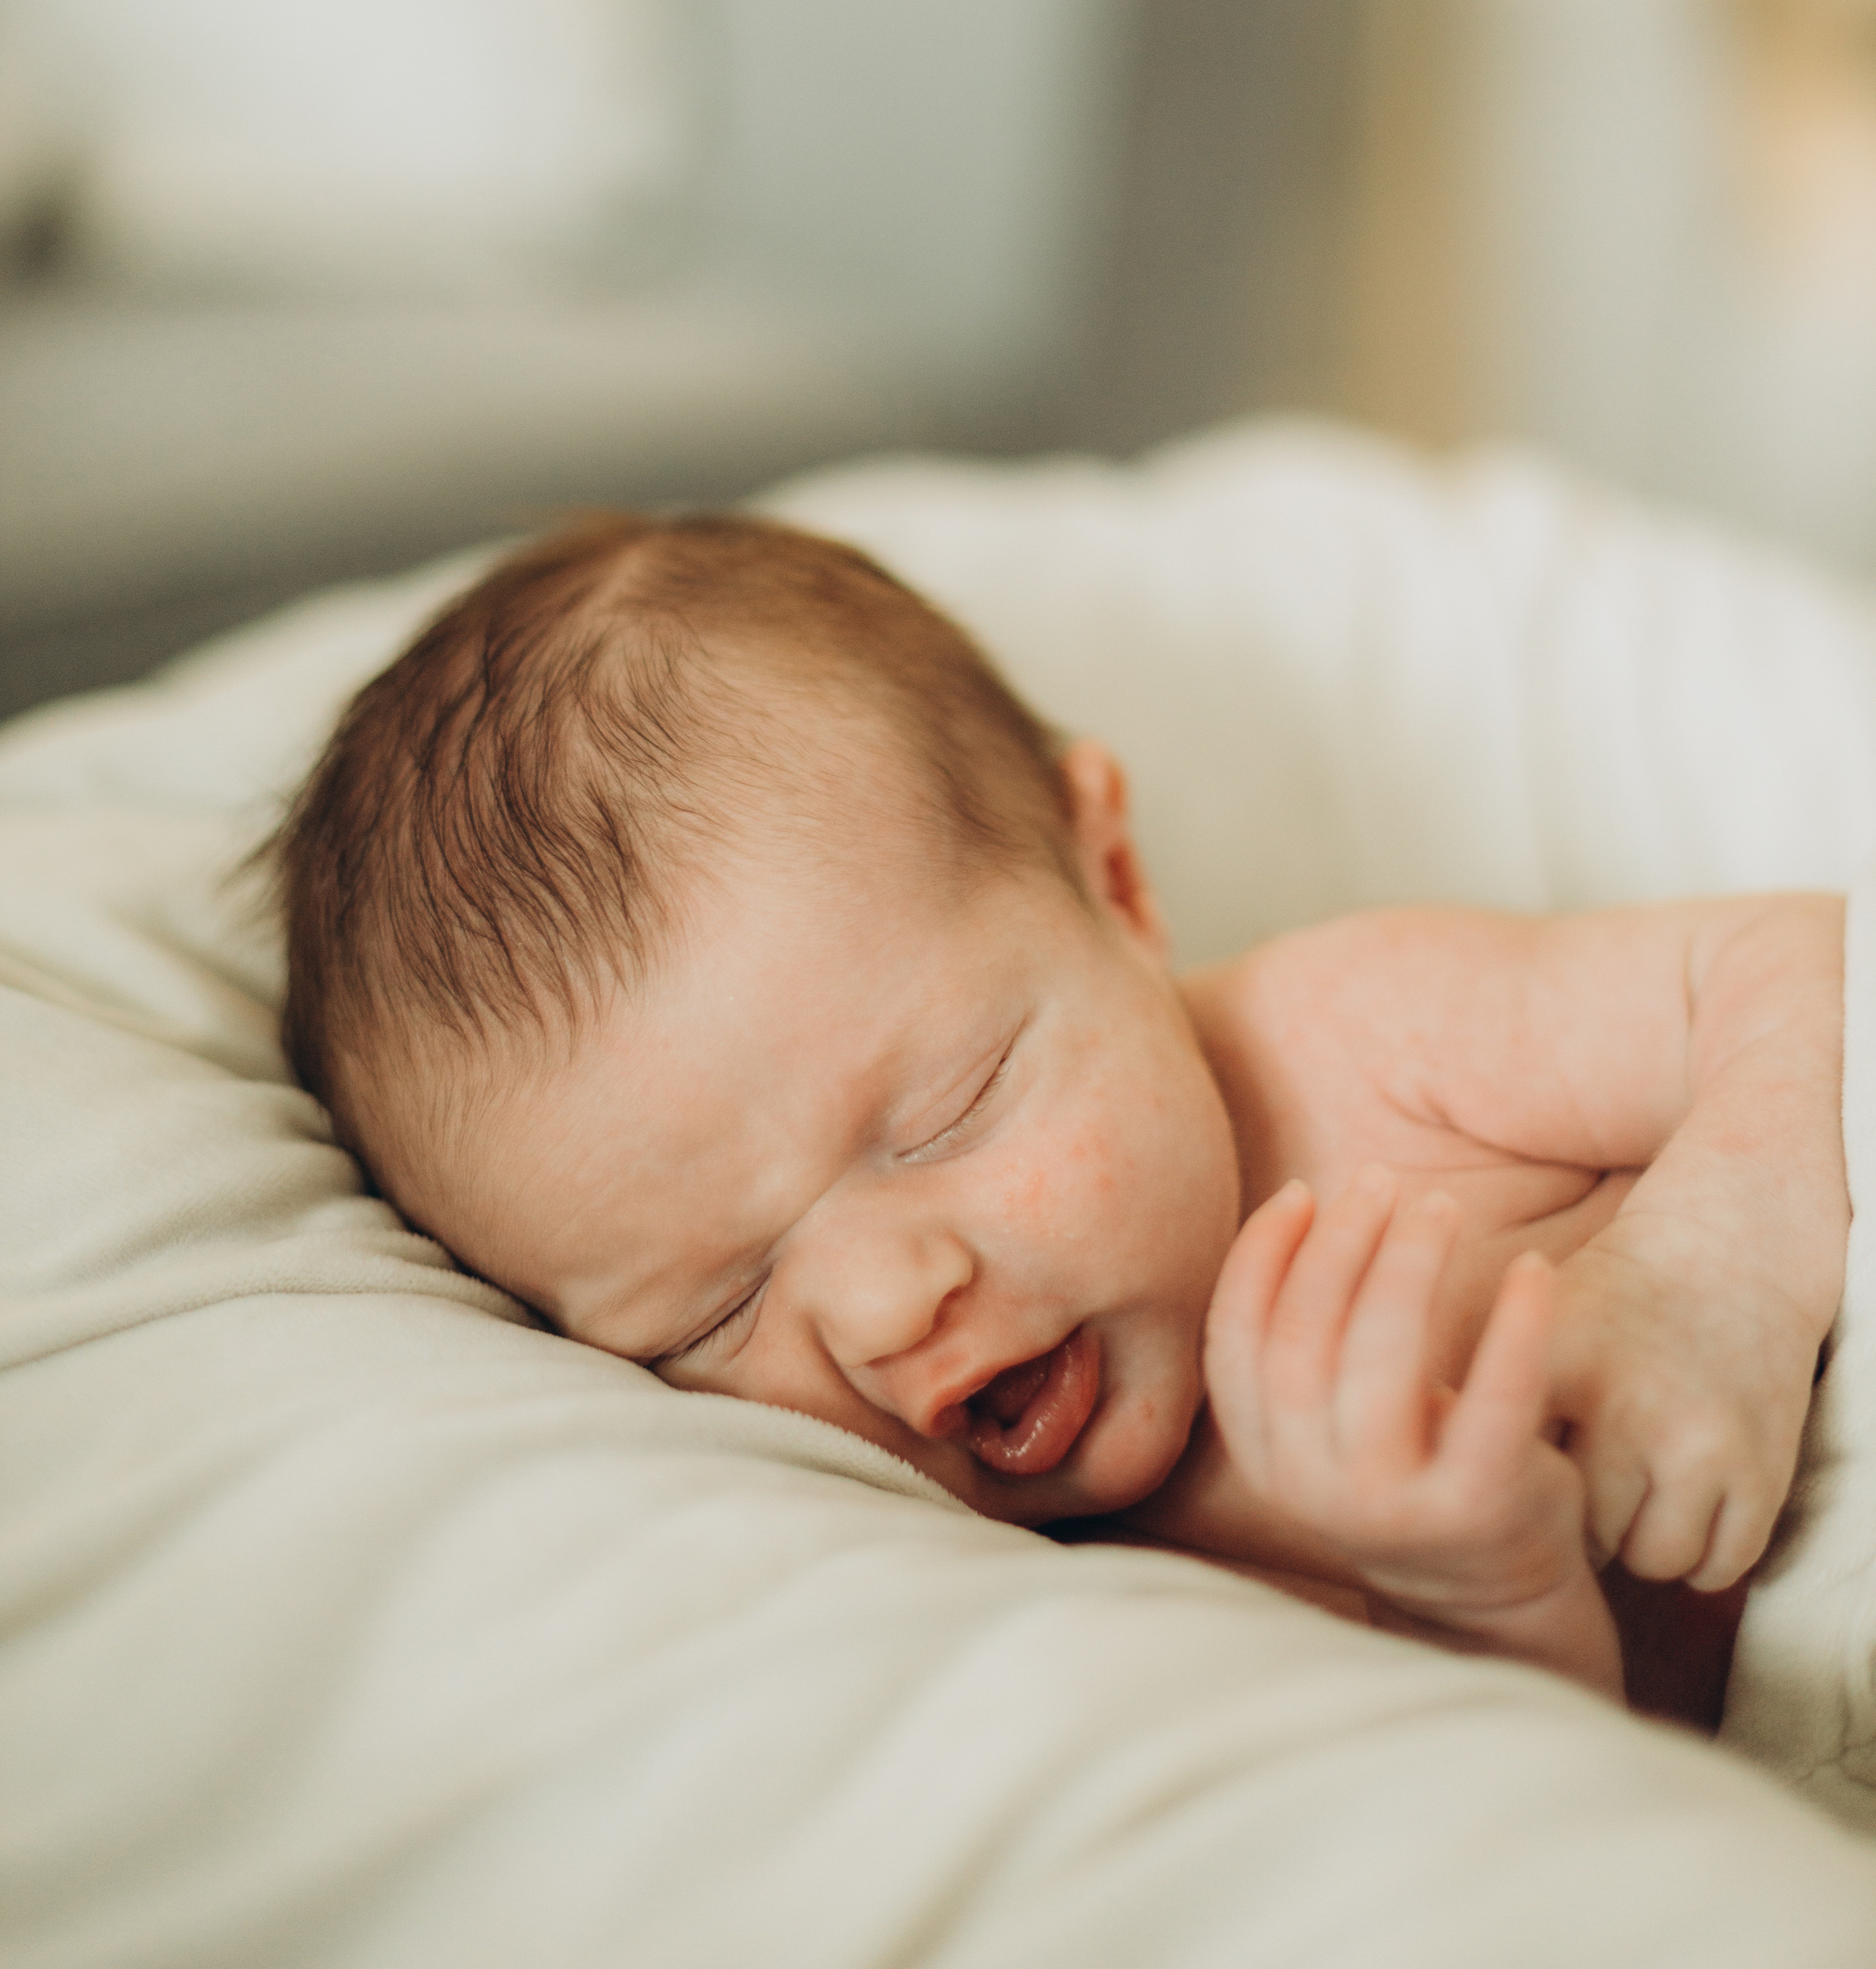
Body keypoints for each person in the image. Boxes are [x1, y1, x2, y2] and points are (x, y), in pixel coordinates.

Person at [273, 512, 1848, 1712]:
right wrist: (1481, 1599)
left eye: (945, 1111)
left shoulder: (1352, 1040)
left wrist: (1712, 1271)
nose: (888, 1306)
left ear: (1114, 882)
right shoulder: (1027, 1612)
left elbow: (1800, 969)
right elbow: (1558, 1812)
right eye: (712, 1311)